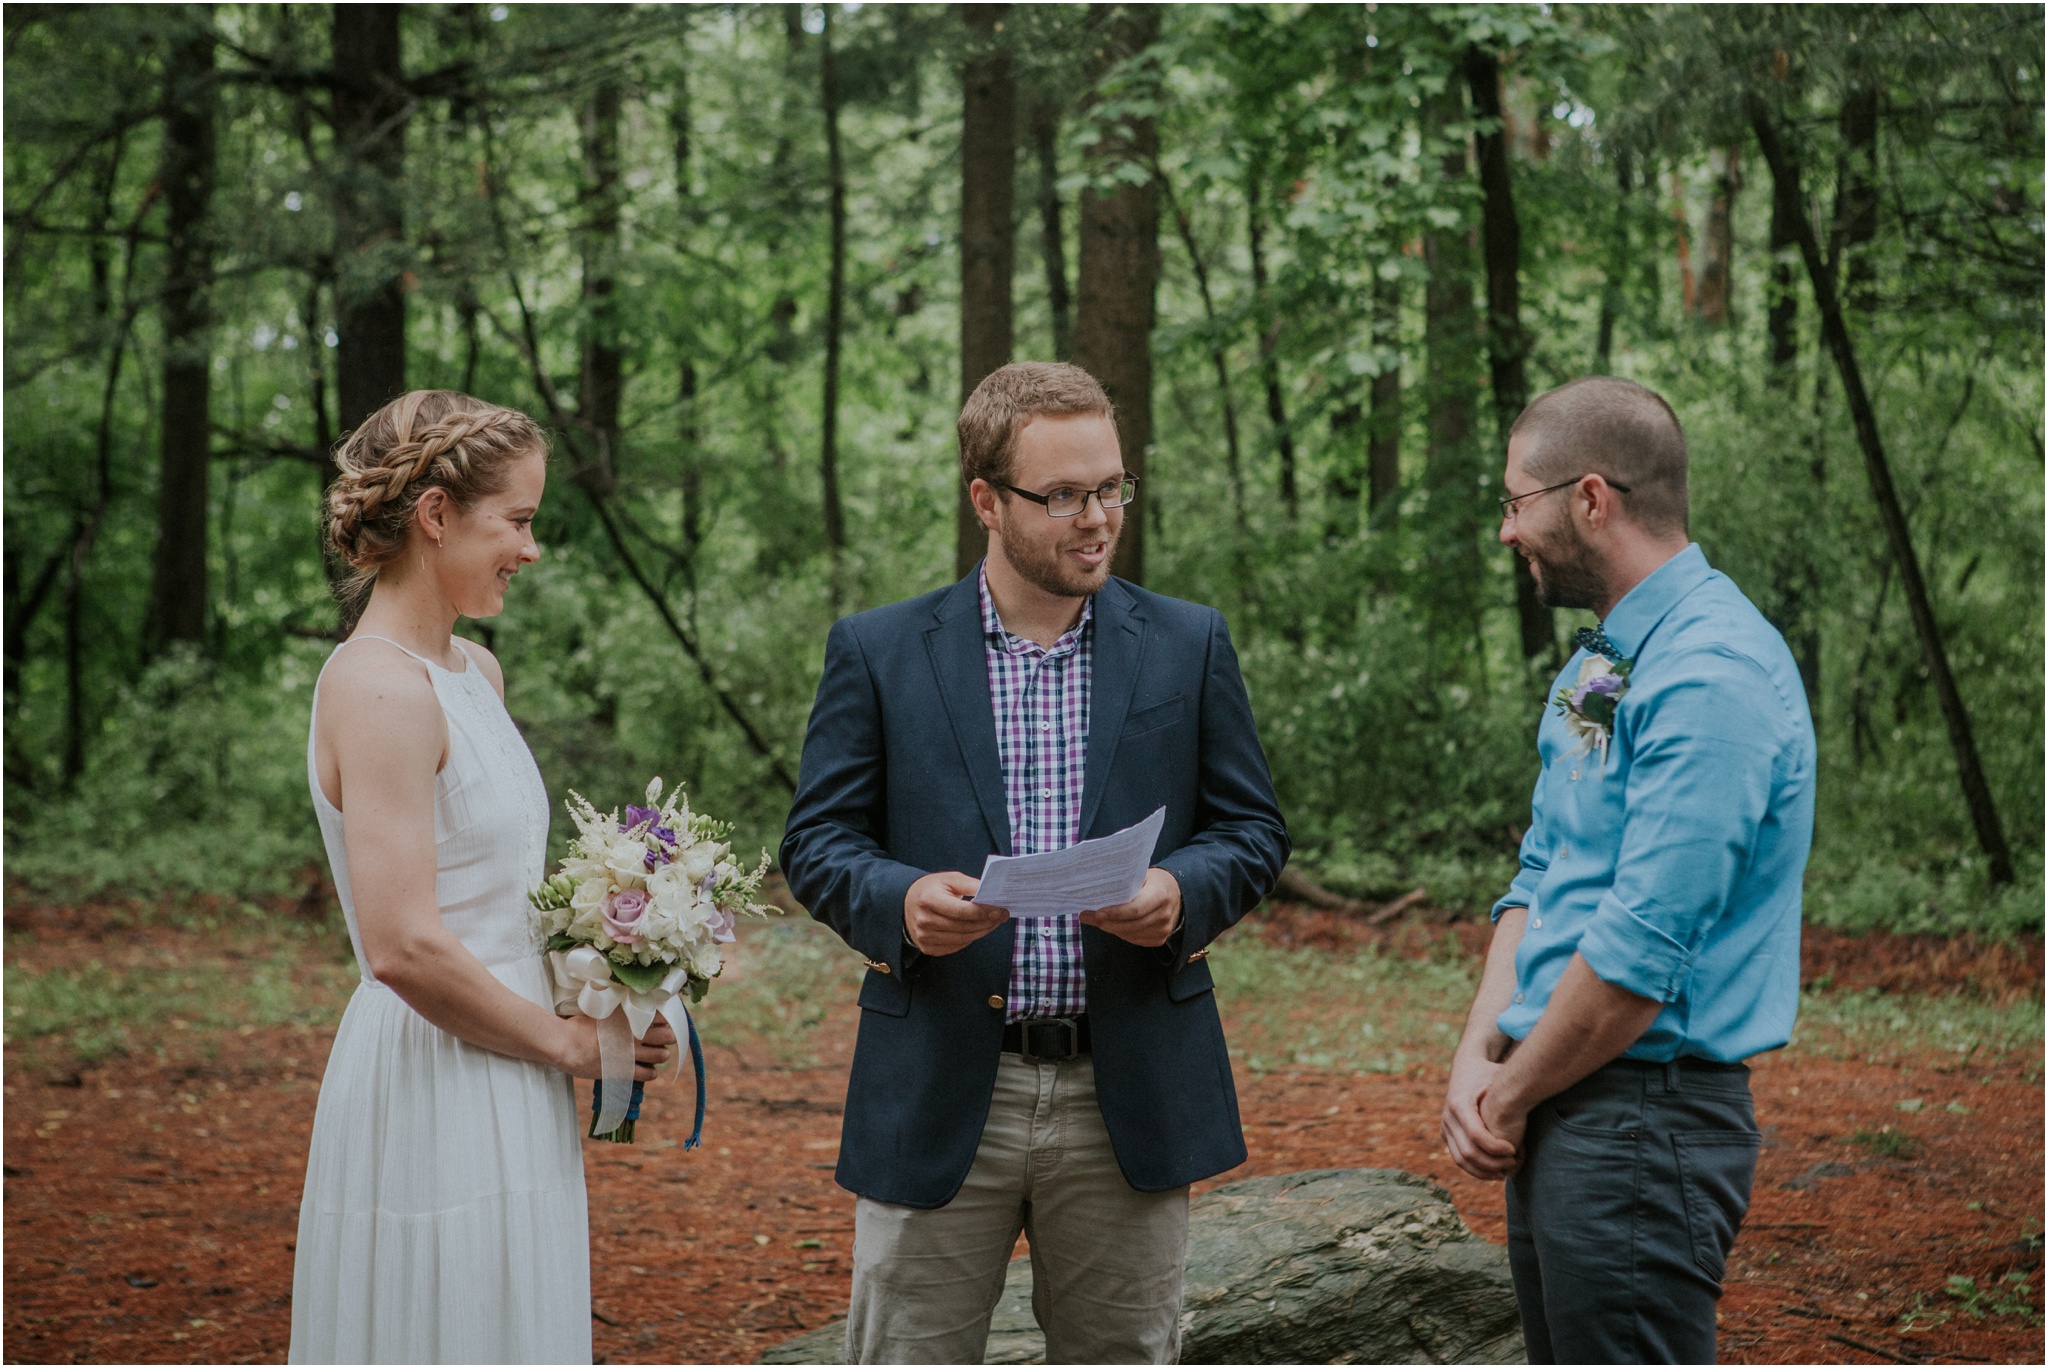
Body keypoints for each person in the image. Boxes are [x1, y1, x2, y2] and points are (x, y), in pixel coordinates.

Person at [781, 362, 1289, 1365]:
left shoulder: (1186, 645)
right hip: (938, 1078)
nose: (1096, 518)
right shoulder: (879, 652)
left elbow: (1252, 830)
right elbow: (816, 842)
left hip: (1126, 1082)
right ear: (985, 499)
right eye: (1060, 496)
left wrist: (1177, 893)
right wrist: (901, 899)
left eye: (1110, 487)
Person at [291, 390, 673, 1365]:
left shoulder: (474, 672)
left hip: (512, 1068)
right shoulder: (377, 687)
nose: (530, 548)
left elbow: (497, 897)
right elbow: (404, 944)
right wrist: (569, 1046)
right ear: (434, 516)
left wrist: (613, 994)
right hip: (434, 1078)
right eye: (518, 520)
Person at [1440, 376, 1817, 1364]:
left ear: (1589, 498)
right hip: (1561, 1101)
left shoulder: (1710, 674)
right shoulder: (1604, 665)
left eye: (1514, 502)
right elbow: (1545, 859)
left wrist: (1510, 1091)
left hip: (1641, 1127)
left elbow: (1641, 950)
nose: (1503, 530)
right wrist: (1480, 1048)